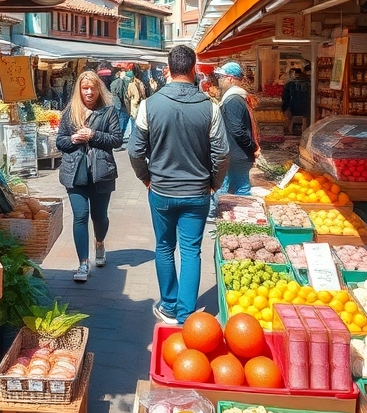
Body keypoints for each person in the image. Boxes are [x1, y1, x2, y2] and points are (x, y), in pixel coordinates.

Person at [129, 45, 230, 325]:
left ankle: (169, 305)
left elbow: (135, 151)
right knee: (191, 251)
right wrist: (214, 183)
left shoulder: (150, 105)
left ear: (169, 69)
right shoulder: (210, 106)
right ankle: (186, 314)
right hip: (197, 193)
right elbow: (221, 154)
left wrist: (146, 178)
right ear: (194, 68)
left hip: (160, 191)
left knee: (163, 247)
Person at [55, 71, 122, 282]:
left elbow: (116, 139)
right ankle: (83, 263)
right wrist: (74, 138)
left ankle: (99, 242)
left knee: (99, 217)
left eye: (93, 88)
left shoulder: (108, 111)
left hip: (101, 173)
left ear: (98, 89)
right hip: (75, 173)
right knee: (80, 215)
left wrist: (93, 135)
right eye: (85, 88)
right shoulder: (69, 113)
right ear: (79, 90)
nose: (89, 92)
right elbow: (60, 142)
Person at [210, 62, 258, 214]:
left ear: (230, 79)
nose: (219, 80)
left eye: (221, 77)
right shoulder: (236, 98)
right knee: (239, 190)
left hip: (235, 155)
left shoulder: (233, 100)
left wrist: (252, 147)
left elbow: (237, 130)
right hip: (238, 155)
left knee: (232, 192)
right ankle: (234, 219)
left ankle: (228, 219)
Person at [282, 68, 311, 134]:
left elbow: (285, 98)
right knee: (305, 122)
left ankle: (293, 131)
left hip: (294, 107)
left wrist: (284, 108)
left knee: (293, 122)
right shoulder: (309, 83)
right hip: (308, 107)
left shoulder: (290, 84)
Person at [108, 69, 129, 143]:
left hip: (116, 103)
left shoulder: (113, 82)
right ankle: (120, 138)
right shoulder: (120, 81)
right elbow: (121, 93)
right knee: (122, 120)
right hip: (120, 104)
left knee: (117, 120)